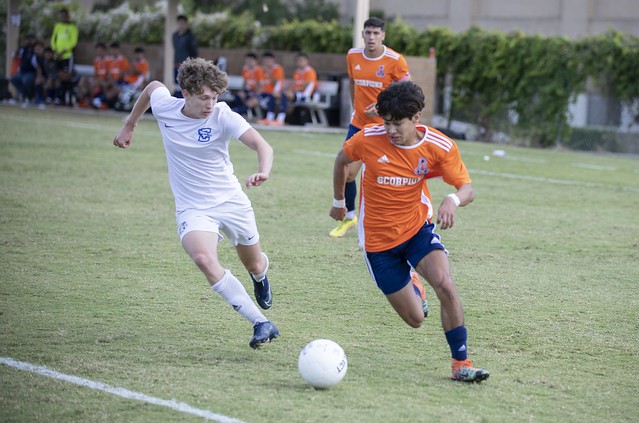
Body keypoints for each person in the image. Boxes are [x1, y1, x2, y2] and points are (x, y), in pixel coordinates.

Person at [113, 58, 279, 349]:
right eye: (204, 97)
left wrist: (263, 170)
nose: (210, 104)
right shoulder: (166, 107)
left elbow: (262, 145)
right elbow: (152, 88)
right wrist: (130, 125)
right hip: (193, 208)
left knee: (253, 262)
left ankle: (260, 274)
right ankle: (260, 323)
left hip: (231, 202)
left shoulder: (223, 115)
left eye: (215, 97)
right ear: (186, 94)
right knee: (203, 259)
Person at [329, 81, 489, 382]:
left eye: (397, 123)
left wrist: (452, 200)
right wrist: (340, 201)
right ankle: (413, 281)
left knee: (446, 285)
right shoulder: (368, 139)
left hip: (417, 229)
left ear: (416, 118)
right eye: (386, 122)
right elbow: (342, 159)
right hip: (377, 243)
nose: (390, 130)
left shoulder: (439, 147)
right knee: (416, 319)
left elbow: (466, 188)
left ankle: (461, 363)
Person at [329, 17, 411, 238]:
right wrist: (355, 107)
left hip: (387, 128)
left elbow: (408, 93)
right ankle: (350, 216)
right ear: (363, 34)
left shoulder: (395, 60)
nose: (372, 37)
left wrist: (385, 106)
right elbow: (353, 83)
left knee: (390, 176)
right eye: (368, 33)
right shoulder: (353, 55)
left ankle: (396, 221)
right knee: (347, 172)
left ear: (383, 35)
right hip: (359, 125)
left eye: (376, 33)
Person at [50, 8, 78, 105]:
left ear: (68, 16)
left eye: (64, 15)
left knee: (66, 76)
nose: (63, 17)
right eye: (61, 15)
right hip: (57, 56)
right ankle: (59, 97)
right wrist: (55, 50)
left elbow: (73, 42)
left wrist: (63, 51)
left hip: (67, 56)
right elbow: (53, 39)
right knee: (58, 75)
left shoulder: (72, 27)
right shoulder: (57, 26)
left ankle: (69, 99)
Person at [282, 52, 317, 125]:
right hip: (297, 93)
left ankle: (281, 118)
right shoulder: (297, 71)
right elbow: (293, 83)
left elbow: (305, 86)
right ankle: (281, 118)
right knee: (284, 94)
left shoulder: (310, 71)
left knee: (287, 96)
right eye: (298, 61)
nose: (299, 62)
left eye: (301, 60)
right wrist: (289, 89)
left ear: (307, 61)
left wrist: (293, 91)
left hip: (306, 96)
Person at [257, 52, 287, 126]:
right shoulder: (260, 70)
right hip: (265, 93)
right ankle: (268, 118)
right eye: (265, 61)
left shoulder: (277, 69)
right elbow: (260, 83)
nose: (266, 63)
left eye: (268, 60)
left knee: (275, 96)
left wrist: (268, 72)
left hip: (275, 92)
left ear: (273, 60)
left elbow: (277, 82)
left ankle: (278, 120)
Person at [172, 15, 198, 98]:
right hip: (176, 63)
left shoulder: (190, 36)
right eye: (179, 23)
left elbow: (194, 51)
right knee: (177, 84)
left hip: (187, 65)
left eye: (183, 23)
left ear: (186, 24)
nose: (181, 25)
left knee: (186, 84)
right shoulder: (174, 36)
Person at [232, 52, 264, 119]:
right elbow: (245, 82)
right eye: (247, 60)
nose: (249, 62)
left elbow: (261, 86)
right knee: (238, 96)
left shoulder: (259, 70)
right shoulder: (245, 69)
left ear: (255, 61)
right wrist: (242, 91)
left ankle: (236, 113)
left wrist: (255, 95)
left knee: (249, 102)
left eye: (251, 60)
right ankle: (242, 114)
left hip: (255, 92)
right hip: (247, 91)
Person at [10, 34, 38, 107]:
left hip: (31, 73)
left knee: (26, 80)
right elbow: (15, 56)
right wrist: (19, 46)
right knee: (14, 79)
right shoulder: (23, 49)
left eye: (31, 39)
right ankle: (24, 94)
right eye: (28, 39)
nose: (29, 41)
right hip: (22, 72)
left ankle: (27, 97)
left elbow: (37, 65)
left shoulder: (35, 50)